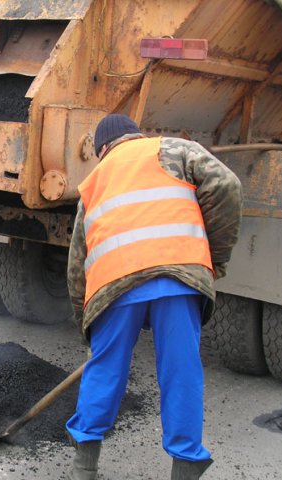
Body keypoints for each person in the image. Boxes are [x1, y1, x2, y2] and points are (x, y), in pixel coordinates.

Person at [65, 114, 243, 479]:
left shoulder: (93, 182)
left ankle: (84, 468)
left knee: (104, 369)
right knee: (181, 371)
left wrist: (86, 322)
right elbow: (226, 184)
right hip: (178, 277)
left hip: (113, 285)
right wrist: (214, 257)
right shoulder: (172, 149)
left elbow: (77, 263)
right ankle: (185, 466)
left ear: (102, 149)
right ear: (135, 135)